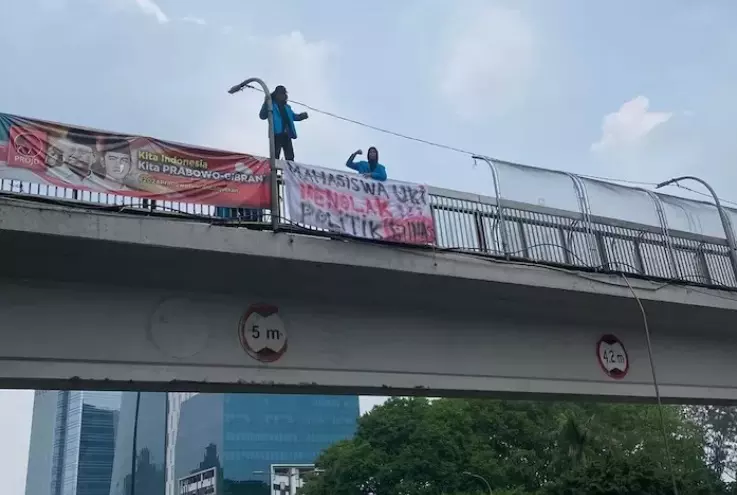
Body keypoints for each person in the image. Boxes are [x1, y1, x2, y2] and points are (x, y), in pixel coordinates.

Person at [259, 85, 308, 161]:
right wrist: (266, 102)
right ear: (276, 94)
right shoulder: (270, 104)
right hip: (276, 133)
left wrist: (302, 116)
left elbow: (294, 117)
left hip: (287, 134)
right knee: (275, 156)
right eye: (281, 93)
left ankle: (290, 171)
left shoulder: (287, 107)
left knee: (290, 157)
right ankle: (274, 171)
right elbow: (262, 116)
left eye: (284, 93)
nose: (284, 95)